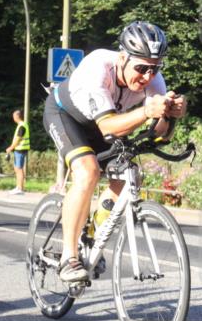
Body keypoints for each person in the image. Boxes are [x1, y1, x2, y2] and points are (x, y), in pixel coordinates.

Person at [43, 21, 187, 283]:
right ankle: (69, 256)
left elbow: (160, 135)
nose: (147, 76)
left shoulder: (155, 82)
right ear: (123, 58)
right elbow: (109, 126)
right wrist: (146, 111)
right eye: (141, 68)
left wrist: (171, 115)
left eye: (155, 68)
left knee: (131, 175)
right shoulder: (98, 68)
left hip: (107, 125)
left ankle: (95, 232)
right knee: (87, 172)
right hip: (67, 116)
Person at [5, 109, 30, 195]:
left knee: (19, 169)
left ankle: (20, 188)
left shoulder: (22, 126)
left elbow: (18, 139)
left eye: (14, 116)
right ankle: (18, 187)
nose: (13, 118)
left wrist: (10, 148)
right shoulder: (21, 125)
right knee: (17, 168)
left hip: (20, 149)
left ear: (17, 116)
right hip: (20, 149)